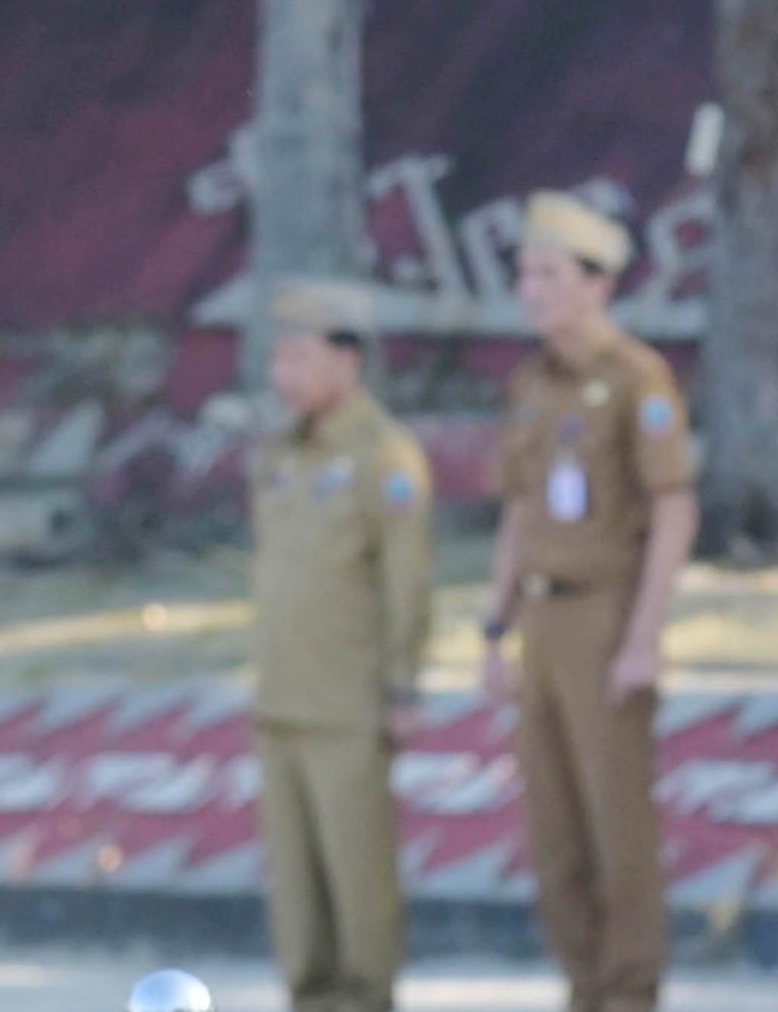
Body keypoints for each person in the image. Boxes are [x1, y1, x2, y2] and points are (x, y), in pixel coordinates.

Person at [483, 191, 694, 1012]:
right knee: (554, 831)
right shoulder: (531, 385)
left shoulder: (638, 379)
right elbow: (519, 511)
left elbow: (672, 509)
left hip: (606, 613)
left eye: (549, 273)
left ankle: (630, 991)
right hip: (541, 617)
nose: (531, 290)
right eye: (525, 273)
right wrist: (495, 627)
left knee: (617, 827)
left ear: (598, 283)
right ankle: (583, 987)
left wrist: (643, 637)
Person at [251, 280, 434, 1012]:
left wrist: (403, 684)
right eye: (279, 357)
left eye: (299, 356)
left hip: (347, 707)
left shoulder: (383, 456)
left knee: (359, 888)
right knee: (298, 902)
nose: (282, 374)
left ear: (347, 361)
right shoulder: (280, 455)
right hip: (281, 703)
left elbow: (407, 582)